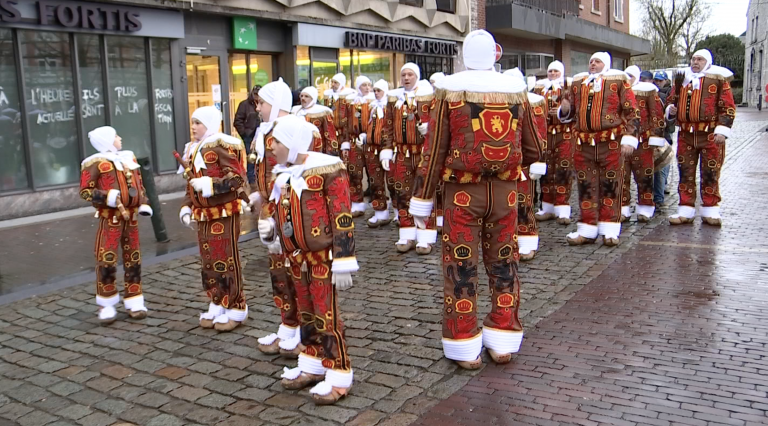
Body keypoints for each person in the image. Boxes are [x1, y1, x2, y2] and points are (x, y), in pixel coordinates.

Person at [410, 30, 545, 369]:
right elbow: (534, 144)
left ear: (465, 56)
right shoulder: (516, 91)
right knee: (504, 263)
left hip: (462, 191)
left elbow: (435, 148)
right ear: (495, 55)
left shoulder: (450, 91)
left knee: (460, 265)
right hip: (505, 190)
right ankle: (502, 335)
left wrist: (423, 198)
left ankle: (463, 341)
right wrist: (529, 163)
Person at [260, 114, 358, 405]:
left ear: (291, 142)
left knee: (326, 314)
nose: (272, 145)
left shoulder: (328, 169)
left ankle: (339, 370)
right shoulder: (284, 173)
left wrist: (343, 257)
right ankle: (313, 361)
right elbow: (277, 208)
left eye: (276, 141)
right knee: (305, 311)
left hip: (322, 258)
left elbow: (342, 215)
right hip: (295, 258)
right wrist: (271, 231)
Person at [179, 106, 249, 332]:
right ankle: (217, 300)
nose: (193, 127)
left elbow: (238, 179)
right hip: (203, 215)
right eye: (192, 122)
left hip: (224, 211)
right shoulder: (193, 149)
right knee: (208, 261)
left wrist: (212, 185)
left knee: (226, 259)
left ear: (209, 124)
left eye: (198, 122)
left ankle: (236, 305)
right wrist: (186, 206)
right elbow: (190, 184)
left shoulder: (220, 145)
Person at [558, 52, 639, 246]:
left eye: (597, 61)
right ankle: (587, 229)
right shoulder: (579, 83)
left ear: (606, 65)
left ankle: (610, 229)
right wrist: (566, 108)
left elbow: (631, 111)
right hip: (583, 143)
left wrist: (629, 138)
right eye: (591, 61)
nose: (593, 64)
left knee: (610, 185)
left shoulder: (619, 81)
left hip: (610, 142)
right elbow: (571, 113)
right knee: (586, 186)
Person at [251, 79, 305, 356]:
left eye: (261, 102)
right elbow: (264, 173)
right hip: (271, 210)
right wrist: (259, 196)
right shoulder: (264, 132)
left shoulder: (294, 129)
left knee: (296, 271)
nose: (258, 107)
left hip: (290, 212)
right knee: (278, 272)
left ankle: (303, 332)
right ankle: (287, 324)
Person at [79, 126, 152, 324]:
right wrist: (108, 197)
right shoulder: (94, 163)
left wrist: (143, 201)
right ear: (107, 141)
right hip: (110, 218)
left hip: (132, 218)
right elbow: (85, 191)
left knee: (133, 258)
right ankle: (107, 302)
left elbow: (139, 183)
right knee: (106, 258)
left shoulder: (129, 158)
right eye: (116, 136)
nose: (120, 138)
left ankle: (134, 298)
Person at [666, 49, 736, 226]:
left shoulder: (718, 79)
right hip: (686, 134)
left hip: (710, 134)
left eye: (699, 59)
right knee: (685, 172)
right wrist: (671, 110)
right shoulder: (682, 79)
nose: (695, 62)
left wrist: (722, 129)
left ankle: (711, 209)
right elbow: (670, 100)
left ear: (708, 62)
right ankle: (685, 209)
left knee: (710, 172)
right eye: (693, 59)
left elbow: (728, 106)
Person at [382, 64, 438, 254]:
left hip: (423, 153)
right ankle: (406, 233)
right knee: (402, 192)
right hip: (401, 153)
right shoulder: (394, 98)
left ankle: (425, 236)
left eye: (410, 74)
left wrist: (429, 129)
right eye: (403, 74)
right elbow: (387, 126)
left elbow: (439, 123)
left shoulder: (428, 97)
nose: (406, 78)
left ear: (417, 76)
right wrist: (387, 149)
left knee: (424, 193)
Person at [504, 68, 549, 261]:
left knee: (523, 201)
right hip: (501, 161)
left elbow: (539, 134)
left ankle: (527, 238)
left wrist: (538, 160)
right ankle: (506, 240)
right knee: (502, 205)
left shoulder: (533, 103)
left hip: (522, 161)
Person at [620, 67, 666, 222]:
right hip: (622, 141)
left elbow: (657, 115)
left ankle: (646, 206)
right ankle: (622, 207)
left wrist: (656, 138)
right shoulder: (619, 91)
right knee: (621, 176)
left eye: (631, 76)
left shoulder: (647, 91)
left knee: (644, 176)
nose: (628, 78)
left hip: (643, 142)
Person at [533, 60, 575, 225]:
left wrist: (562, 111)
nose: (552, 74)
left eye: (556, 72)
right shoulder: (539, 88)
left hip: (563, 134)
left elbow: (575, 110)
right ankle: (548, 207)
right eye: (550, 71)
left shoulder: (569, 87)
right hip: (545, 134)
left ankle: (562, 208)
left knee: (563, 169)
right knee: (546, 172)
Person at [365, 79, 394, 228]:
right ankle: (380, 211)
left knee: (393, 182)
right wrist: (366, 136)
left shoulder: (390, 107)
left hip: (387, 148)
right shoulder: (372, 107)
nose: (376, 93)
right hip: (372, 148)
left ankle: (398, 212)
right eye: (374, 90)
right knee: (375, 182)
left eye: (379, 91)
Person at [345, 76, 376, 217]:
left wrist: (368, 134)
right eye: (364, 85)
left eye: (369, 85)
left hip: (370, 142)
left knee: (374, 175)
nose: (367, 88)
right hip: (354, 141)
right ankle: (357, 203)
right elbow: (346, 122)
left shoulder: (374, 102)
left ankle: (379, 207)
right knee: (354, 173)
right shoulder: (351, 102)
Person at [291, 86, 340, 156]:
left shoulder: (322, 112)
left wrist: (331, 153)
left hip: (317, 151)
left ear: (313, 98)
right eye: (301, 96)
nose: (303, 98)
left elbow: (330, 134)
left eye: (306, 96)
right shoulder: (295, 111)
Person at [653, 71, 674, 205]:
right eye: (656, 80)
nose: (658, 83)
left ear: (666, 80)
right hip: (658, 131)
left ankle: (661, 191)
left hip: (665, 131)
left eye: (660, 81)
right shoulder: (654, 93)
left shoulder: (669, 93)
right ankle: (659, 192)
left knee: (664, 160)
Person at [234, 85, 261, 184]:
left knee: (261, 157)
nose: (257, 96)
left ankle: (259, 178)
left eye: (258, 95)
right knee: (251, 158)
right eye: (255, 94)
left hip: (261, 134)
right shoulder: (244, 105)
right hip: (249, 135)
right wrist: (244, 134)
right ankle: (252, 181)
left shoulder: (263, 104)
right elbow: (237, 121)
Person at [323, 73, 356, 152]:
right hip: (331, 130)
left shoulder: (348, 95)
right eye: (332, 82)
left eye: (336, 83)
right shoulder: (329, 95)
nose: (333, 84)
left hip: (345, 131)